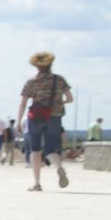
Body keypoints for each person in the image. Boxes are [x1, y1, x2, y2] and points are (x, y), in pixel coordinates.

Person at [18, 51, 73, 192]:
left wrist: (19, 121)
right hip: (54, 117)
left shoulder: (32, 81)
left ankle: (37, 183)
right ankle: (59, 167)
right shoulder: (59, 80)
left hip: (35, 118)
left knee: (35, 150)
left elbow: (23, 103)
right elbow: (70, 98)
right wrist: (59, 102)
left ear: (36, 67)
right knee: (50, 149)